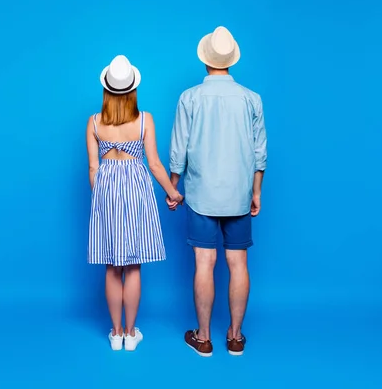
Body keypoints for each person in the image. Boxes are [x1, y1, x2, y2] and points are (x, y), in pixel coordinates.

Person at [166, 26, 268, 357]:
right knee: (238, 263)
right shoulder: (251, 98)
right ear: (230, 60)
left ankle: (204, 337)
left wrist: (173, 187)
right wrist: (256, 192)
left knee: (204, 262)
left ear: (206, 59)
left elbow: (178, 149)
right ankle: (236, 337)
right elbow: (259, 152)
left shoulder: (190, 97)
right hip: (239, 193)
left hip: (201, 194)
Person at [86, 55, 184, 351]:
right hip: (136, 191)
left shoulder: (93, 122)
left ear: (107, 90)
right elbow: (153, 164)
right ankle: (131, 333)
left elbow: (93, 168)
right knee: (134, 265)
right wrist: (172, 192)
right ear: (132, 90)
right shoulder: (144, 120)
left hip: (105, 189)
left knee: (112, 267)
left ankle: (115, 334)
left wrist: (102, 200)